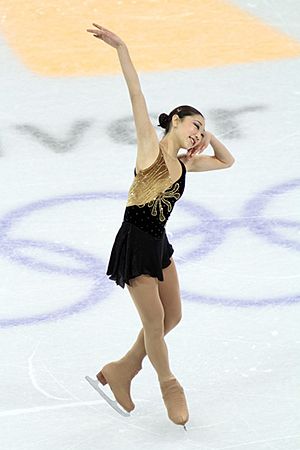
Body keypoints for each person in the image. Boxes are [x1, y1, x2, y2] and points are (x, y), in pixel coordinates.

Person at [86, 23, 235, 427]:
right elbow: (136, 94)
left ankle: (122, 370)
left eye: (202, 129)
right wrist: (121, 48)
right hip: (135, 242)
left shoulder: (186, 164)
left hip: (159, 243)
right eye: (194, 125)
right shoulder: (151, 150)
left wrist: (211, 136)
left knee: (173, 317)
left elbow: (226, 162)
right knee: (154, 322)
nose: (198, 133)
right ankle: (169, 383)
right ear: (176, 121)